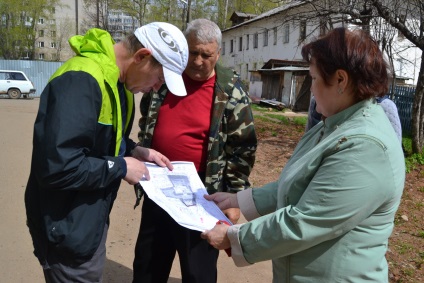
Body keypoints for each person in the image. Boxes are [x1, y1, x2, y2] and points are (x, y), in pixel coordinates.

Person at [201, 27, 405, 282]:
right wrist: (237, 201)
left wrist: (234, 238)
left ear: (340, 81)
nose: (310, 89)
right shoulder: (333, 126)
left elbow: (307, 221)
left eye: (314, 79)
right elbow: (296, 186)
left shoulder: (364, 146)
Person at [24, 22, 189, 282]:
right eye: (159, 78)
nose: (157, 88)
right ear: (142, 56)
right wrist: (121, 167)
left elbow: (103, 139)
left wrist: (135, 151)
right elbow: (58, 168)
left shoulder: (118, 81)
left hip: (85, 218)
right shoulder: (82, 81)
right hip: (65, 225)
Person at [132, 18, 257, 283]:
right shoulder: (163, 78)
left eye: (206, 54)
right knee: (148, 265)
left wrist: (233, 197)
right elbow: (147, 122)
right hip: (160, 188)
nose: (198, 61)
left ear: (218, 54)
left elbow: (243, 149)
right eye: (192, 52)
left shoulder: (231, 91)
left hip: (203, 195)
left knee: (198, 271)